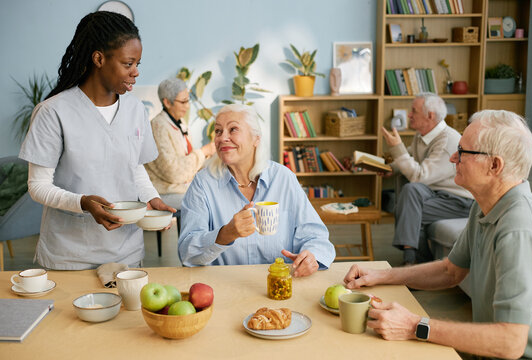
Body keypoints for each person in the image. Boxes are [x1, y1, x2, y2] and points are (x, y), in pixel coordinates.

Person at [344, 110, 532, 359]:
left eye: (463, 152)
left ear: (494, 165)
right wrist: (380, 275)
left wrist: (415, 326)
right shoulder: (484, 204)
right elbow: (451, 271)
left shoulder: (518, 226)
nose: (453, 158)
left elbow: (510, 343)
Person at [18, 11, 175, 270]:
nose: (135, 72)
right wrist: (83, 203)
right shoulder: (53, 112)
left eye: (138, 64)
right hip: (69, 256)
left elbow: (135, 170)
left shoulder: (136, 110)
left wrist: (151, 198)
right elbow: (38, 186)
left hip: (126, 254)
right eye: (128, 64)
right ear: (99, 58)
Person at [178, 104, 335, 276]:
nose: (222, 138)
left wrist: (311, 257)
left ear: (256, 139)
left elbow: (316, 237)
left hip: (282, 287)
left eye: (233, 129)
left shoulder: (283, 178)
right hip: (226, 289)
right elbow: (187, 252)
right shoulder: (202, 183)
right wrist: (224, 235)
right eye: (218, 131)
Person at [381, 93, 473, 264]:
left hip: (459, 201)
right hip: (436, 193)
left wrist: (397, 148)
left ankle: (412, 262)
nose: (409, 115)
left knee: (410, 203)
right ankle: (416, 262)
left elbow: (419, 176)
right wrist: (390, 168)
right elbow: (411, 157)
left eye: (413, 111)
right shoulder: (423, 135)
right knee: (410, 191)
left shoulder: (446, 142)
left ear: (430, 115)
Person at [144, 78, 215, 209]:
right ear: (167, 102)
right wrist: (203, 152)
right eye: (183, 102)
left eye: (188, 101)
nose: (187, 106)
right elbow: (173, 173)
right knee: (205, 202)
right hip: (164, 192)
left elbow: (186, 161)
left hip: (181, 188)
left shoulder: (180, 123)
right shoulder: (158, 127)